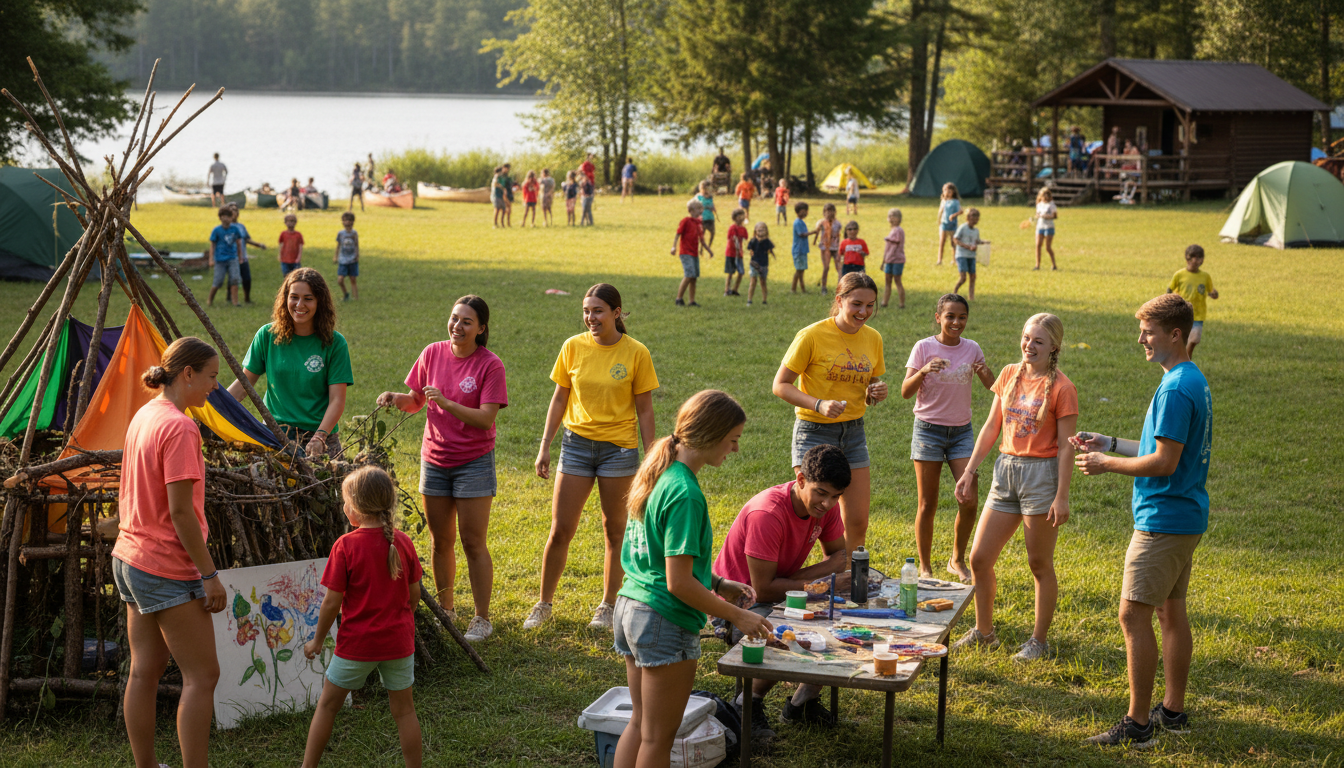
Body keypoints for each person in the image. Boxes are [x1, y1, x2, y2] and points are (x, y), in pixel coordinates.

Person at [1073, 294, 1212, 748]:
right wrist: (1110, 442)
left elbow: (1165, 462)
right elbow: (1158, 445)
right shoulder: (1189, 378)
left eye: (1149, 332)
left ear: (1176, 334)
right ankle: (1172, 711)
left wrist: (1103, 463)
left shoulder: (1174, 387)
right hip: (1185, 516)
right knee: (1171, 612)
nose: (1141, 340)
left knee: (1132, 614)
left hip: (1163, 519)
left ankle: (1137, 726)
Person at [611, 390, 772, 768]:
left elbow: (660, 556)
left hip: (631, 608)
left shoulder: (660, 473)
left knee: (640, 725)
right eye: (733, 440)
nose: (735, 449)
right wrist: (738, 616)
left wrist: (716, 583)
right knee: (658, 738)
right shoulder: (685, 493)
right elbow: (678, 583)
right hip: (662, 619)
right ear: (711, 435)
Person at [113, 337, 225, 768]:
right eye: (211, 376)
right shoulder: (180, 427)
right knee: (203, 676)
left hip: (129, 558)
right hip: (165, 566)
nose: (215, 386)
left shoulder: (145, 414)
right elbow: (181, 515)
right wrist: (209, 574)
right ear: (188, 373)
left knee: (144, 670)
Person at [526, 284, 658, 631]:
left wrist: (651, 457)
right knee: (560, 529)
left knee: (615, 531)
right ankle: (543, 603)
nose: (590, 318)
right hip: (576, 446)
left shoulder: (636, 352)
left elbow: (645, 410)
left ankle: (608, 605)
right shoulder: (573, 346)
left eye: (597, 311)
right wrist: (545, 446)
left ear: (616, 312)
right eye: (586, 311)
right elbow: (559, 399)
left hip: (620, 451)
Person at [376, 296, 507, 643]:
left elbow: (486, 418)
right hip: (434, 460)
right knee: (440, 541)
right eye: (454, 319)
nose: (457, 326)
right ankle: (447, 610)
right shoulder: (432, 353)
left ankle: (481, 618)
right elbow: (417, 401)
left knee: (473, 542)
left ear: (481, 328)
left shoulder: (490, 365)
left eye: (467, 321)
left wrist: (447, 403)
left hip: (474, 462)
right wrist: (394, 397)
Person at [952, 314, 1078, 660]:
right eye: (1026, 338)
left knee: (1039, 563)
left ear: (1054, 346)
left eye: (1038, 341)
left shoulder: (1063, 388)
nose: (1029, 346)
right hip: (1005, 472)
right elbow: (992, 425)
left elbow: (1067, 446)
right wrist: (970, 471)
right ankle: (984, 632)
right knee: (978, 558)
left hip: (1041, 476)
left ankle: (1039, 641)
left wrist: (1061, 496)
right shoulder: (1009, 374)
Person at [713, 444, 850, 737]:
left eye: (835, 497)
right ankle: (746, 703)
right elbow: (761, 590)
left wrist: (817, 582)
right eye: (821, 493)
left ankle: (802, 702)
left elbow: (841, 561)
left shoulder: (826, 506)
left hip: (778, 591)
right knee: (788, 633)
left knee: (842, 620)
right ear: (800, 479)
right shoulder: (768, 513)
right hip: (738, 605)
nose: (827, 504)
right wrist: (817, 580)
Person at [302, 466, 424, 767]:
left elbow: (332, 603)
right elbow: (414, 595)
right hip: (398, 643)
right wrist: (401, 619)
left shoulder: (345, 546)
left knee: (328, 706)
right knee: (405, 711)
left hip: (357, 645)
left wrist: (317, 641)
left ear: (353, 511)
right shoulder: (403, 542)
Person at [773, 272, 888, 555]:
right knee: (815, 517)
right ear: (840, 300)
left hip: (853, 433)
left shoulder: (873, 338)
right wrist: (818, 403)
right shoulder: (811, 335)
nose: (864, 312)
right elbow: (780, 385)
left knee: (858, 520)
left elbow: (868, 380)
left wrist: (875, 391)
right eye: (857, 304)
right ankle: (805, 577)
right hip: (814, 431)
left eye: (870, 305)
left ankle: (848, 576)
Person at [901, 293, 994, 580]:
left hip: (961, 432)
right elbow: (905, 391)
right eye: (950, 316)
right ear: (938, 317)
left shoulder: (972, 348)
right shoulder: (923, 347)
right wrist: (925, 370)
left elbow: (994, 388)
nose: (956, 322)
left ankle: (956, 559)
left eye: (962, 317)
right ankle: (926, 567)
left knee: (969, 498)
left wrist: (984, 371)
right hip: (928, 429)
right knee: (928, 503)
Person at [229, 268, 352, 458]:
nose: (299, 304)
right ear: (285, 298)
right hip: (274, 435)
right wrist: (214, 407)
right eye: (294, 297)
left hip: (320, 439)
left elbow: (337, 400)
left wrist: (320, 437)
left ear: (320, 302)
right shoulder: (267, 336)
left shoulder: (334, 343)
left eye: (308, 298)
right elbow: (243, 386)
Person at [1166, 244, 1218, 358]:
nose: (1195, 260)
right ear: (1186, 258)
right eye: (1192, 257)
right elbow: (1169, 289)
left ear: (1202, 260)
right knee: (1180, 338)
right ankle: (1181, 358)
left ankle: (1186, 357)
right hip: (1182, 312)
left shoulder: (1205, 276)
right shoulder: (1180, 275)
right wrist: (1168, 303)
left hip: (1198, 314)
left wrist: (1214, 294)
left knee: (1194, 339)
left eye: (1199, 257)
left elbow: (1210, 291)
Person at [672, 199, 713, 306]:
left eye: (701, 208)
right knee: (689, 275)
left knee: (694, 277)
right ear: (691, 210)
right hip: (686, 253)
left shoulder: (699, 223)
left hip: (694, 253)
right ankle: (679, 298)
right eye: (698, 208)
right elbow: (678, 234)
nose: (701, 210)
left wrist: (709, 250)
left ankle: (692, 301)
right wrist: (673, 247)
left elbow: (702, 240)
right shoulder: (686, 221)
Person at [227, 202, 266, 305]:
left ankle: (247, 298)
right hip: (231, 257)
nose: (233, 212)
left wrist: (259, 245)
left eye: (235, 210)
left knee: (247, 278)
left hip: (243, 257)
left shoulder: (241, 226)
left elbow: (247, 239)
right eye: (231, 210)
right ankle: (230, 298)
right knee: (232, 278)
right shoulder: (225, 227)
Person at [207, 205, 242, 307]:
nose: (226, 218)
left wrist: (240, 257)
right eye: (223, 216)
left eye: (228, 216)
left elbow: (239, 243)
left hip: (233, 258)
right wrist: (211, 259)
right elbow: (212, 245)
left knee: (235, 279)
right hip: (220, 259)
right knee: (218, 281)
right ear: (220, 217)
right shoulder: (217, 230)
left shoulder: (235, 229)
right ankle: (210, 299)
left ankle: (235, 302)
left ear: (232, 218)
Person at [952, 208, 988, 301]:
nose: (975, 220)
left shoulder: (976, 231)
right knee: (963, 278)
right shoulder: (963, 228)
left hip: (971, 256)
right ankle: (954, 292)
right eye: (973, 217)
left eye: (977, 218)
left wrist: (983, 242)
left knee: (973, 276)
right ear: (967, 217)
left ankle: (971, 296)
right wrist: (968, 247)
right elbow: (955, 239)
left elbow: (976, 241)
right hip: (962, 255)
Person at [814, 203, 842, 294]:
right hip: (825, 247)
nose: (830, 213)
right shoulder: (821, 223)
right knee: (826, 267)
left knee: (839, 267)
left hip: (835, 247)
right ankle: (823, 287)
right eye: (827, 211)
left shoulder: (838, 224)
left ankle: (840, 287)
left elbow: (839, 234)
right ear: (824, 213)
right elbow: (817, 232)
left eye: (832, 211)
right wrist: (815, 241)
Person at [882, 208, 906, 309]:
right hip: (889, 260)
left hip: (897, 260)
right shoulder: (892, 231)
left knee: (897, 280)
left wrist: (888, 239)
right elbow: (887, 248)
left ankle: (901, 303)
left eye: (895, 216)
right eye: (890, 216)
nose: (892, 218)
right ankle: (885, 301)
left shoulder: (899, 230)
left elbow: (895, 243)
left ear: (899, 219)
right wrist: (884, 260)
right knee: (887, 281)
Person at [791, 202, 818, 294]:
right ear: (798, 212)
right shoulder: (797, 222)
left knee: (801, 271)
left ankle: (803, 289)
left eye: (806, 211)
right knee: (799, 270)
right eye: (803, 211)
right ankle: (793, 289)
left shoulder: (801, 222)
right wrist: (813, 232)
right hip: (798, 250)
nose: (805, 213)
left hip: (802, 250)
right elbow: (802, 234)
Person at [746, 222, 774, 306]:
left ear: (766, 231)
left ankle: (764, 300)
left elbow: (770, 250)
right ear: (755, 231)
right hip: (754, 264)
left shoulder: (767, 242)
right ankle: (749, 300)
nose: (761, 232)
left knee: (763, 281)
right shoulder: (753, 241)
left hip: (763, 264)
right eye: (759, 230)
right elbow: (750, 249)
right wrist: (751, 253)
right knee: (753, 281)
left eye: (763, 230)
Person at [723, 208, 748, 297]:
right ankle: (727, 289)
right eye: (739, 216)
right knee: (730, 272)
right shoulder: (732, 228)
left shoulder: (743, 229)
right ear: (734, 218)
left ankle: (735, 289)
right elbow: (733, 239)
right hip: (731, 253)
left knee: (741, 272)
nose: (741, 218)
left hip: (739, 254)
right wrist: (737, 247)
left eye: (742, 216)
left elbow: (745, 240)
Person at [334, 212, 359, 301]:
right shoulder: (340, 233)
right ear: (343, 222)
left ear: (353, 222)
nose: (348, 222)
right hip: (343, 260)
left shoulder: (354, 233)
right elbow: (338, 245)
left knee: (353, 279)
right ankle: (346, 294)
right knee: (340, 280)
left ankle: (356, 298)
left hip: (352, 259)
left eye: (350, 220)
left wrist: (357, 255)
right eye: (345, 220)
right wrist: (335, 256)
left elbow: (356, 245)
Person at [936, 183, 962, 266]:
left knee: (953, 243)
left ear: (953, 192)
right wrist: (939, 220)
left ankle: (954, 259)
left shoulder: (955, 202)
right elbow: (940, 211)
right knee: (942, 242)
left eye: (949, 191)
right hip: (944, 224)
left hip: (953, 225)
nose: (947, 193)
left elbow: (961, 211)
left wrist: (953, 215)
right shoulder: (943, 201)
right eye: (945, 191)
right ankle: (939, 260)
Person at [1034, 188, 1058, 270]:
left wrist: (1048, 216)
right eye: (1044, 195)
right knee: (1038, 245)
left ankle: (1054, 265)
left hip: (1049, 226)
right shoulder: (1039, 205)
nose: (1045, 196)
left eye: (1047, 195)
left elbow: (1055, 216)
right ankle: (1037, 265)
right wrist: (1036, 217)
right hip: (1040, 226)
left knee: (1048, 247)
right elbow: (1037, 214)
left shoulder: (1052, 205)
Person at [694, 181, 717, 248]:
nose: (707, 191)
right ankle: (701, 247)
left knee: (712, 233)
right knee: (702, 234)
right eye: (705, 189)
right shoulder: (698, 196)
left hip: (710, 217)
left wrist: (713, 208)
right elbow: (696, 205)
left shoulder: (710, 197)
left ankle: (709, 246)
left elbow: (712, 204)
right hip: (702, 218)